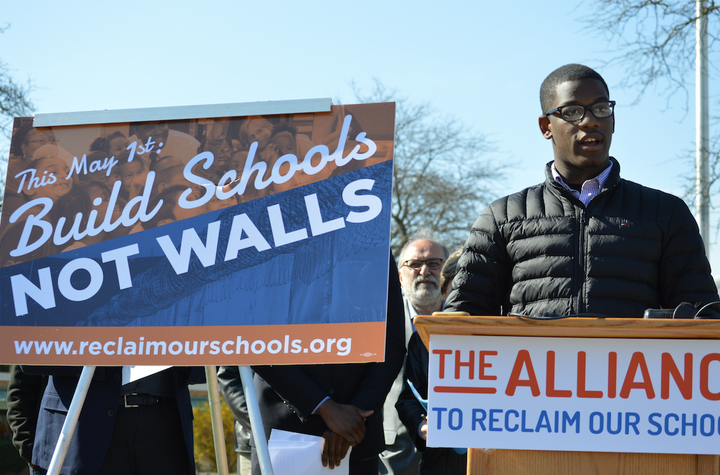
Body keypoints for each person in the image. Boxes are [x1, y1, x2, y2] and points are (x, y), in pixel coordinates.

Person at [445, 63, 719, 318]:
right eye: (573, 112)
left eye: (601, 108)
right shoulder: (501, 217)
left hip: (630, 371)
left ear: (613, 120)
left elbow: (700, 318)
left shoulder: (666, 213)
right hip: (530, 371)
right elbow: (463, 322)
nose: (590, 121)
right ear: (546, 127)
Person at [250, 256, 406, 475]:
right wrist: (323, 407)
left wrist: (355, 418)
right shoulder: (272, 237)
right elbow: (254, 338)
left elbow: (392, 343)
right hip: (285, 436)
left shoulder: (374, 237)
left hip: (357, 440)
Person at [12, 366, 204, 475]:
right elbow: (27, 368)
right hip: (82, 440)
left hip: (166, 433)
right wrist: (30, 449)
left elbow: (209, 365)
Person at [380, 231, 448, 475]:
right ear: (400, 275)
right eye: (414, 264)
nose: (424, 272)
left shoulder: (469, 322)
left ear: (446, 272)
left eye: (434, 264)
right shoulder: (380, 323)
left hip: (455, 454)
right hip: (392, 453)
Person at [396, 249, 466, 475]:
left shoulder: (509, 337)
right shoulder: (425, 337)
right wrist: (421, 425)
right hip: (440, 463)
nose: (465, 297)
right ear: (444, 294)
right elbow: (407, 398)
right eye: (456, 290)